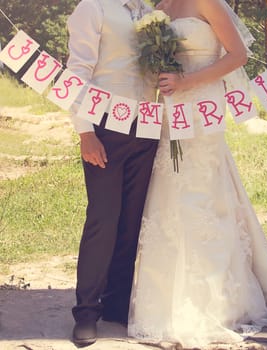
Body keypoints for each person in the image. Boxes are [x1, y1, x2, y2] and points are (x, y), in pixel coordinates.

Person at [128, 0, 267, 347]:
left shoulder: (208, 1)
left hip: (203, 107)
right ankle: (162, 302)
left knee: (201, 193)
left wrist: (187, 82)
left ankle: (214, 303)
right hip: (171, 108)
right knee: (169, 190)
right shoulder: (159, 8)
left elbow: (237, 56)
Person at [66, 0, 158, 346]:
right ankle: (86, 312)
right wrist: (85, 132)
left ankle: (116, 306)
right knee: (103, 219)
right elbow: (77, 72)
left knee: (131, 220)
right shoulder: (93, 7)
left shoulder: (150, 11)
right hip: (105, 124)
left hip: (147, 125)